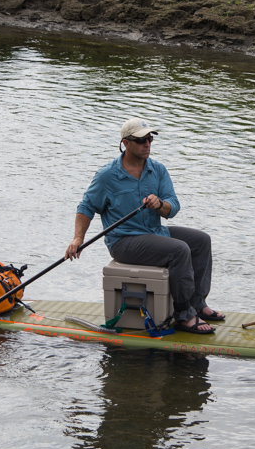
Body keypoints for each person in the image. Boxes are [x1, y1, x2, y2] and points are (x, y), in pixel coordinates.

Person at [64, 117, 223, 334]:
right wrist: (78, 239)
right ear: (126, 143)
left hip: (155, 232)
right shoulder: (107, 176)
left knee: (201, 241)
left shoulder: (157, 170)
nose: (147, 144)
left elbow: (173, 207)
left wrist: (160, 205)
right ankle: (184, 315)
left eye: (149, 139)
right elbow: (86, 206)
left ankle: (198, 304)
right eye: (141, 140)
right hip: (124, 241)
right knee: (179, 250)